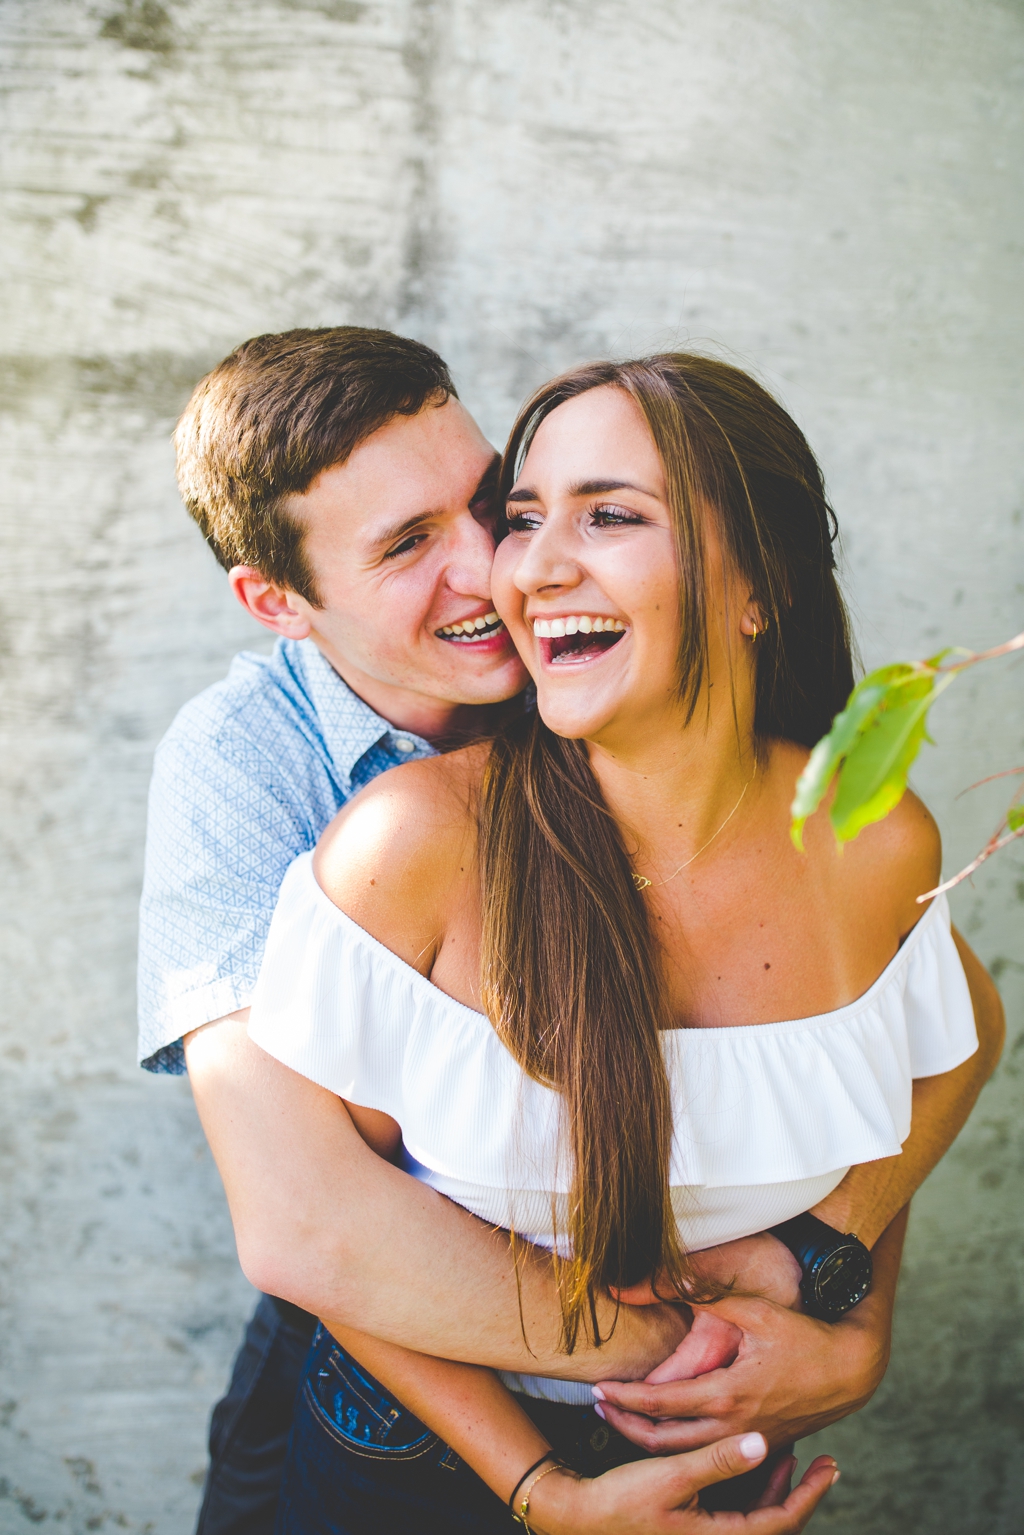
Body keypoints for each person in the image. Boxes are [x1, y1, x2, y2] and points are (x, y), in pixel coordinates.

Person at [199, 352, 1002, 1532]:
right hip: (424, 1459)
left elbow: (940, 1051)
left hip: (723, 1453)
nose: (521, 565)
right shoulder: (409, 843)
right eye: (524, 517)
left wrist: (823, 1276)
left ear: (755, 585)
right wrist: (546, 1485)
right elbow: (323, 1227)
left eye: (609, 514)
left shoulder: (869, 835)